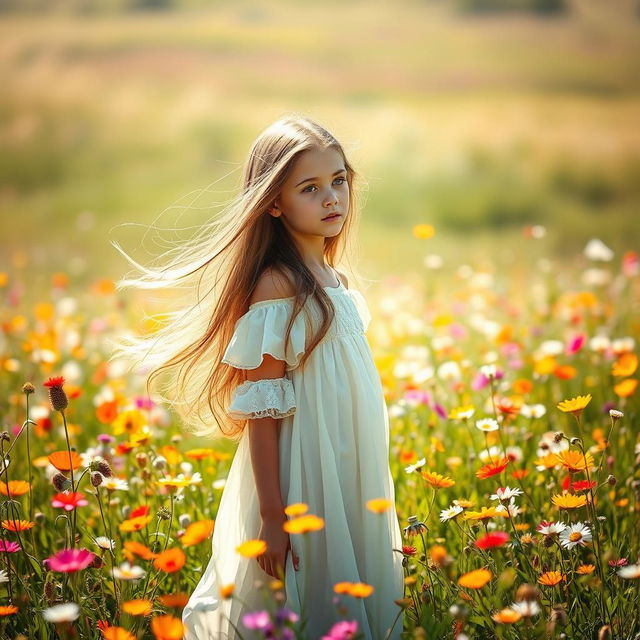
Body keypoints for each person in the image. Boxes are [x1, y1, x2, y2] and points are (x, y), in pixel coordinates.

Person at [114, 115, 404, 639]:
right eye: (310, 188)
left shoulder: (334, 279)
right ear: (274, 202)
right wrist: (273, 515)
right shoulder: (277, 284)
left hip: (349, 461)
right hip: (305, 467)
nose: (331, 198)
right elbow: (263, 411)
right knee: (306, 590)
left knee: (352, 576)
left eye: (339, 180)